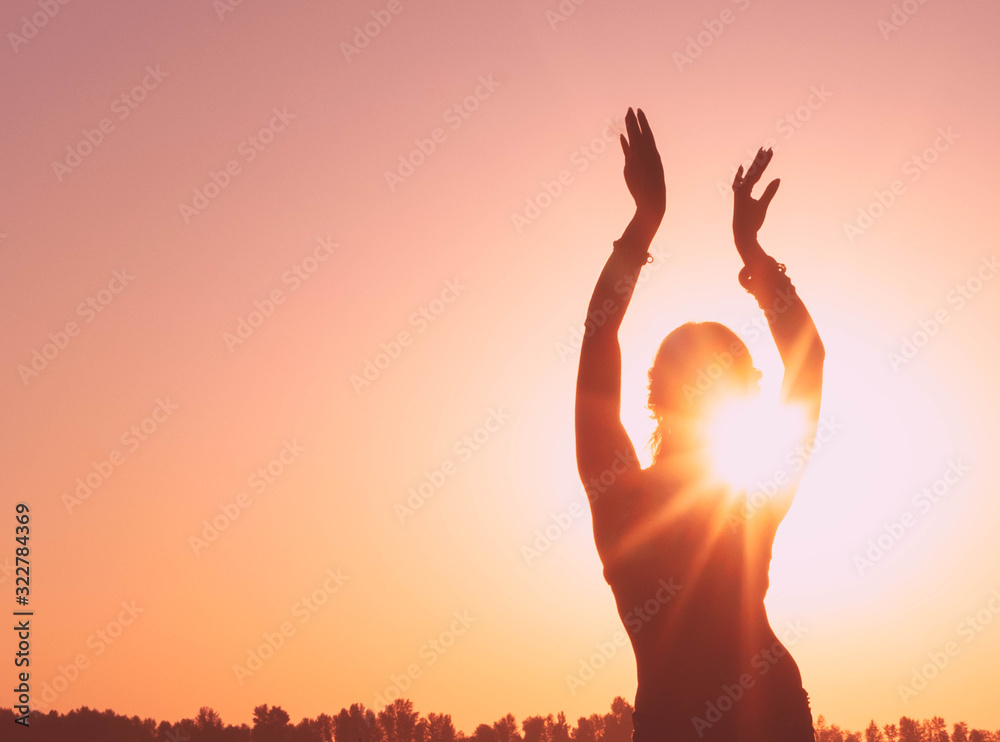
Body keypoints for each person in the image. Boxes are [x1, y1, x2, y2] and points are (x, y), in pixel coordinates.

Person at [574, 108, 825, 741]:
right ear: (742, 397)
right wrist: (754, 258)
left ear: (656, 396)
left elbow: (600, 335)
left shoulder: (620, 496)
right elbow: (810, 362)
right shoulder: (752, 503)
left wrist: (643, 222)